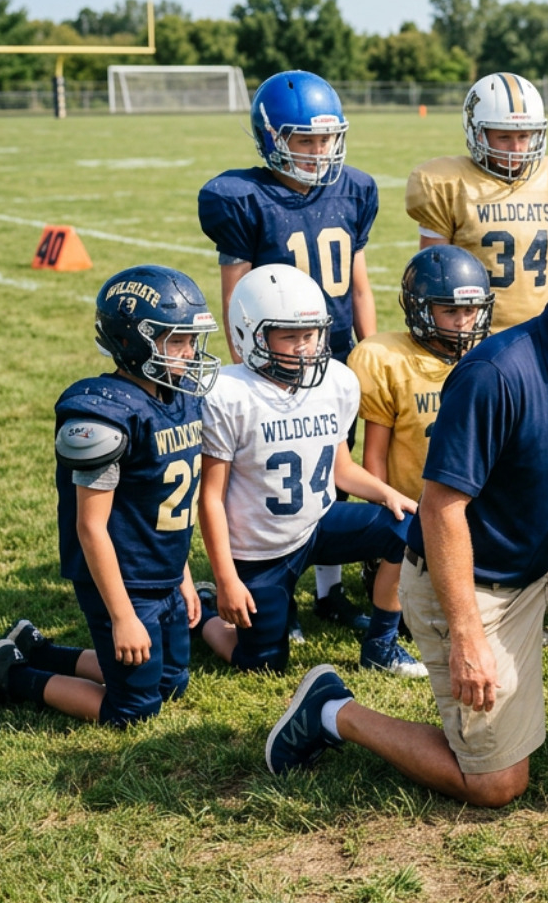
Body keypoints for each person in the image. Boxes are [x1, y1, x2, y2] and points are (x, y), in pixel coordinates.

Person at [262, 221, 548, 808]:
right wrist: (466, 635)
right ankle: (333, 711)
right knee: (495, 784)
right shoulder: (498, 373)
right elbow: (441, 509)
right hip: (467, 578)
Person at [0, 267, 219, 724]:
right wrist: (122, 615)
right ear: (133, 342)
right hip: (122, 581)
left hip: (161, 571)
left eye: (190, 340)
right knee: (135, 709)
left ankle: (36, 649)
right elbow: (91, 526)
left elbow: (163, 510)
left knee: (170, 684)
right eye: (175, 341)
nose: (189, 354)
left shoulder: (181, 398)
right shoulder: (104, 412)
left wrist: (181, 575)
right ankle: (12, 676)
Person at [199, 69, 377, 634]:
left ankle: (328, 589)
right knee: (267, 475)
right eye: (304, 139)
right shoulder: (243, 197)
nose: (318, 150)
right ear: (272, 137)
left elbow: (360, 283)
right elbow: (235, 300)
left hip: (333, 352)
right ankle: (272, 586)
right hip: (272, 360)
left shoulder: (353, 189)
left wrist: (369, 352)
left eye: (326, 138)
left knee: (327, 466)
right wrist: (249, 370)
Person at [192, 265, 417, 675]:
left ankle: (381, 645)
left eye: (310, 335)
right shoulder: (229, 394)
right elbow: (210, 498)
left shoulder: (336, 382)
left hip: (317, 524)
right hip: (259, 548)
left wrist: (387, 495)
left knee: (407, 527)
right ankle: (204, 613)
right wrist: (226, 579)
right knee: (261, 664)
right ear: (251, 335)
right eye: (289, 336)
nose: (303, 348)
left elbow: (341, 468)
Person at [346, 245, 496, 673]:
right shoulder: (388, 360)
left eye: (471, 310)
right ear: (419, 308)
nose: (464, 321)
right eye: (450, 311)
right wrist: (386, 521)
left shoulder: (490, 358)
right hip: (414, 509)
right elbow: (374, 456)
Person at [408, 71, 548, 336]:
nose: (516, 148)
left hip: (540, 332)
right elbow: (433, 277)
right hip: (472, 334)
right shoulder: (447, 183)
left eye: (524, 136)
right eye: (503, 137)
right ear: (477, 134)